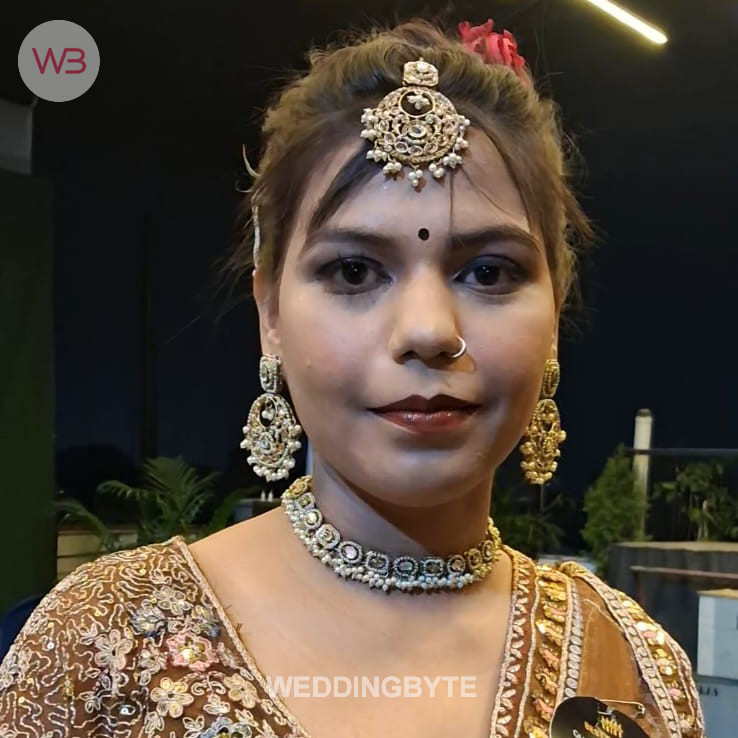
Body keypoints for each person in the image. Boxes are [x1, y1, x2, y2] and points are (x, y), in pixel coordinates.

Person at [0, 18, 704, 738]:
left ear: (554, 315)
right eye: (355, 270)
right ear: (270, 314)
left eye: (489, 272)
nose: (428, 330)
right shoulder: (101, 649)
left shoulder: (632, 666)